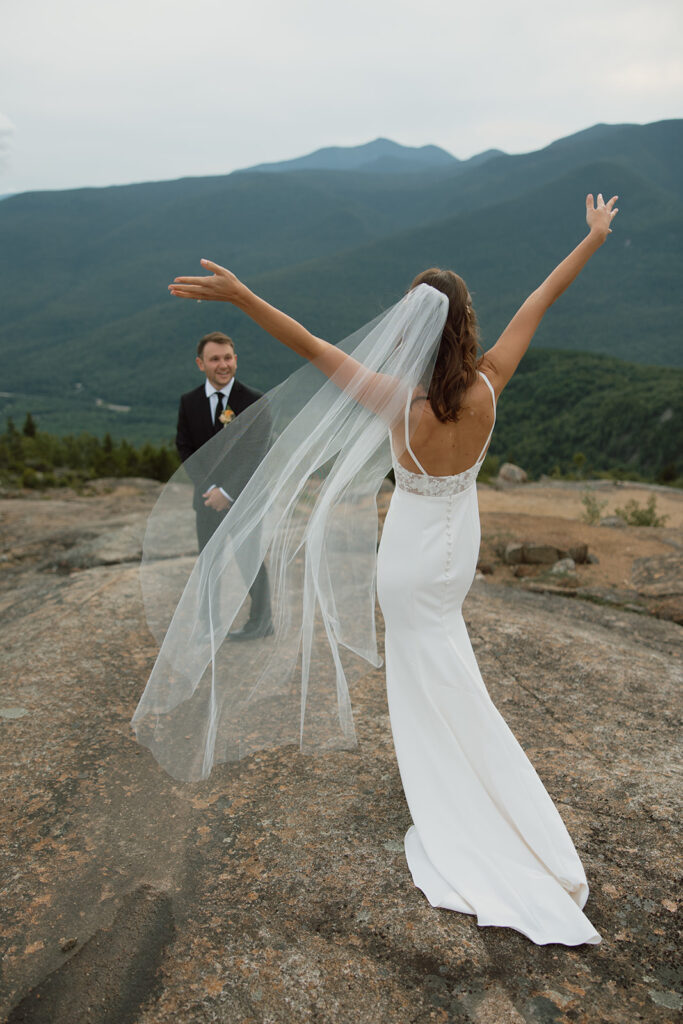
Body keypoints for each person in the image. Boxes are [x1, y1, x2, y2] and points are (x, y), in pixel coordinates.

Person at [138, 193, 617, 945]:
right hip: (457, 550)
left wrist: (241, 295)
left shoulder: (397, 401)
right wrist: (590, 238)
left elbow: (306, 344)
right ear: (465, 322)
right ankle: (476, 784)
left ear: (413, 326)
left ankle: (452, 795)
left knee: (423, 672)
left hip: (408, 554)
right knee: (446, 658)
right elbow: (541, 297)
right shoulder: (490, 382)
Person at [175, 331, 272, 638]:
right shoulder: (189, 402)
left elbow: (257, 452)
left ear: (236, 360)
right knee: (210, 563)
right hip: (206, 499)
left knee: (250, 561)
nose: (223, 364)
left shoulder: (255, 401)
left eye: (228, 357)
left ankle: (261, 623)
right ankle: (210, 626)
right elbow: (185, 448)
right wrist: (210, 490)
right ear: (200, 363)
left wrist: (227, 492)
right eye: (215, 359)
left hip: (244, 497)